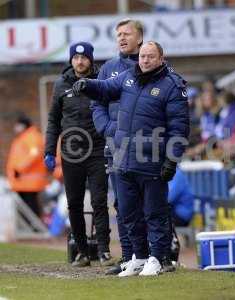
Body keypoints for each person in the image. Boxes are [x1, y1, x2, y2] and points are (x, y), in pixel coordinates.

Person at [72, 41, 190, 276]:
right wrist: (87, 85)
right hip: (123, 157)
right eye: (143, 56)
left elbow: (179, 128)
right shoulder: (127, 77)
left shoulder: (172, 86)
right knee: (128, 212)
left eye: (150, 57)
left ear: (161, 59)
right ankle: (139, 256)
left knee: (154, 213)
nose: (145, 61)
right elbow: (105, 88)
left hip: (152, 160)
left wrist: (171, 160)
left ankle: (157, 258)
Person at [44, 42, 112, 267]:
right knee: (73, 203)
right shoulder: (61, 84)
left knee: (99, 201)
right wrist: (49, 151)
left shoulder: (101, 83)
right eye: (76, 58)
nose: (80, 62)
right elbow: (54, 120)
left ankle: (103, 250)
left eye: (84, 58)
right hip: (71, 154)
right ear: (71, 60)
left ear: (90, 60)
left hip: (97, 152)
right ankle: (82, 251)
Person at [90, 18, 144, 276]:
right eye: (118, 34)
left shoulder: (153, 65)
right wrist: (108, 129)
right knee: (123, 203)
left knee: (152, 202)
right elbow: (97, 104)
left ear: (140, 37)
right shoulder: (108, 68)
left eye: (127, 33)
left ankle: (159, 255)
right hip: (117, 145)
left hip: (148, 145)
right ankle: (128, 255)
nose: (122, 38)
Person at [6, 114, 48, 219]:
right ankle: (30, 229)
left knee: (30, 207)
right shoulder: (24, 137)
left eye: (17, 125)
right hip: (22, 182)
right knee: (25, 208)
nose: (15, 128)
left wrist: (19, 169)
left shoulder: (32, 136)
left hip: (29, 182)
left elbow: (34, 154)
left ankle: (35, 230)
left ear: (22, 125)